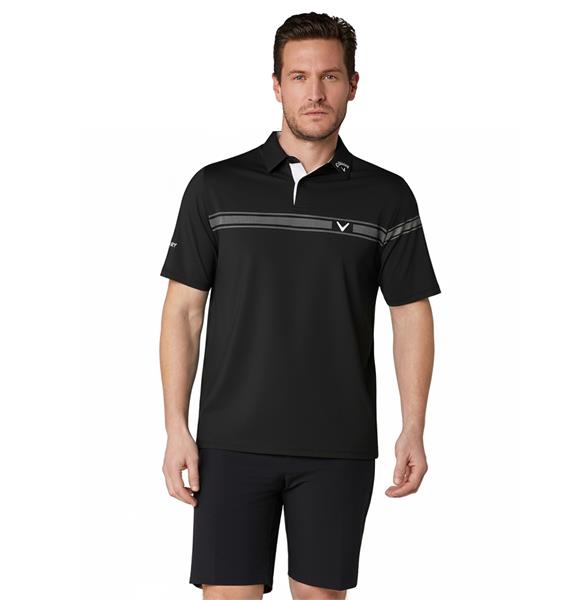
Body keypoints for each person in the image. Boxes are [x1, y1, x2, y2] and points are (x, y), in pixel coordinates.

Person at [159, 11, 441, 600]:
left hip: (338, 446)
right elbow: (183, 312)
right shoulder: (215, 187)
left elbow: (410, 314)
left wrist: (413, 427)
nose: (315, 93)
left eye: (330, 76)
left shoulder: (387, 196)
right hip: (230, 444)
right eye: (299, 76)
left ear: (353, 85)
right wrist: (175, 427)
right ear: (276, 84)